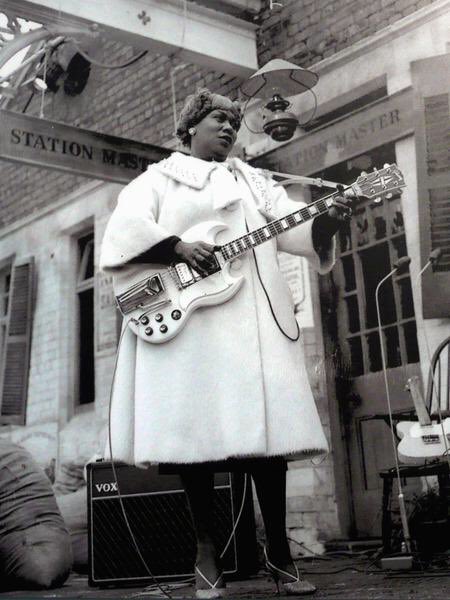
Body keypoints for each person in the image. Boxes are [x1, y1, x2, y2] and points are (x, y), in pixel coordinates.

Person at [100, 88, 353, 597]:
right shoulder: (160, 178)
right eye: (219, 118)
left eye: (236, 123)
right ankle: (205, 555)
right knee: (197, 442)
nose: (230, 128)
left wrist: (327, 216)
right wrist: (179, 246)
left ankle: (281, 559)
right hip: (196, 325)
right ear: (190, 127)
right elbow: (124, 229)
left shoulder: (256, 182)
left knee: (269, 443)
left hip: (256, 320)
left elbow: (293, 231)